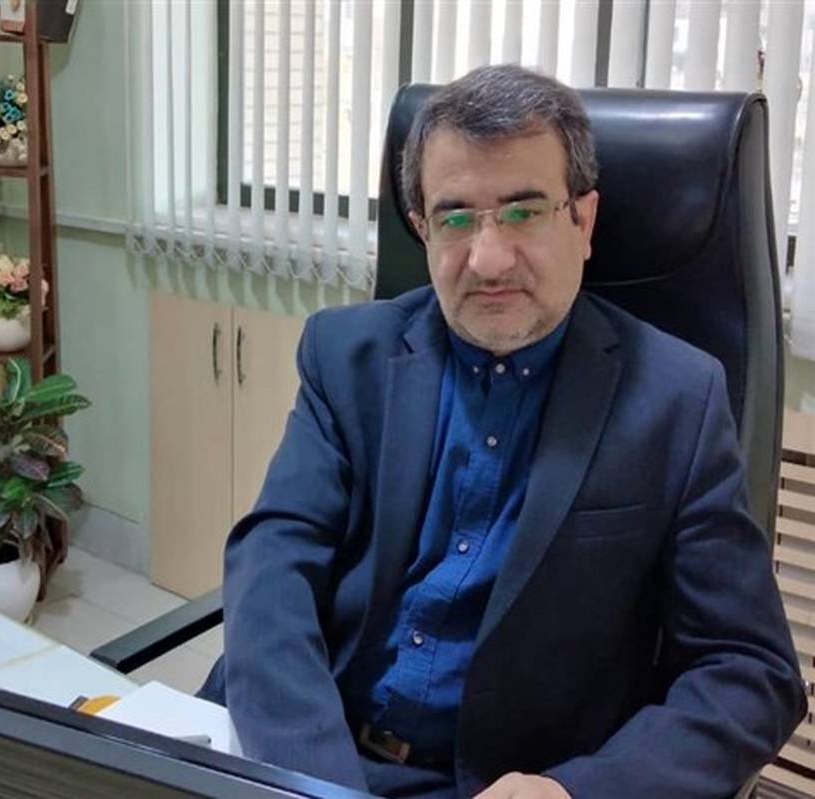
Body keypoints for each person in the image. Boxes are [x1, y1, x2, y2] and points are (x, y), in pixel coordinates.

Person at [198, 65, 806, 799]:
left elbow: (751, 671)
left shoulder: (678, 400)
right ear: (421, 229)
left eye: (524, 212)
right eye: (455, 217)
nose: (487, 260)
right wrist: (318, 781)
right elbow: (272, 564)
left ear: (583, 221)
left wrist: (579, 790)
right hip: (307, 751)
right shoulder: (347, 355)